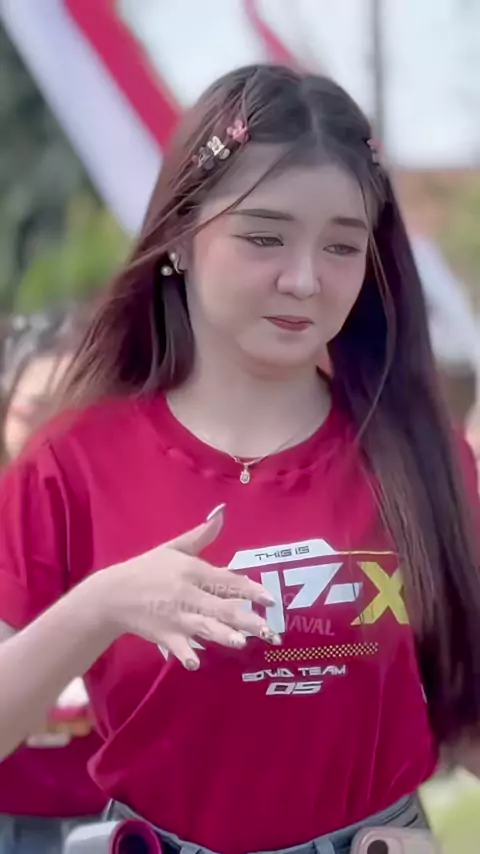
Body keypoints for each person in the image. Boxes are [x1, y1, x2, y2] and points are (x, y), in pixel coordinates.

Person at [0, 64, 479, 854]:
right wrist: (101, 605)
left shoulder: (422, 458)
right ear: (180, 238)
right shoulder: (70, 462)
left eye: (342, 246)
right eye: (263, 237)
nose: (305, 279)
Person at [0, 312, 105, 853]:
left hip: (114, 818)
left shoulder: (120, 521)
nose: (52, 433)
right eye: (36, 410)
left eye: (71, 410)